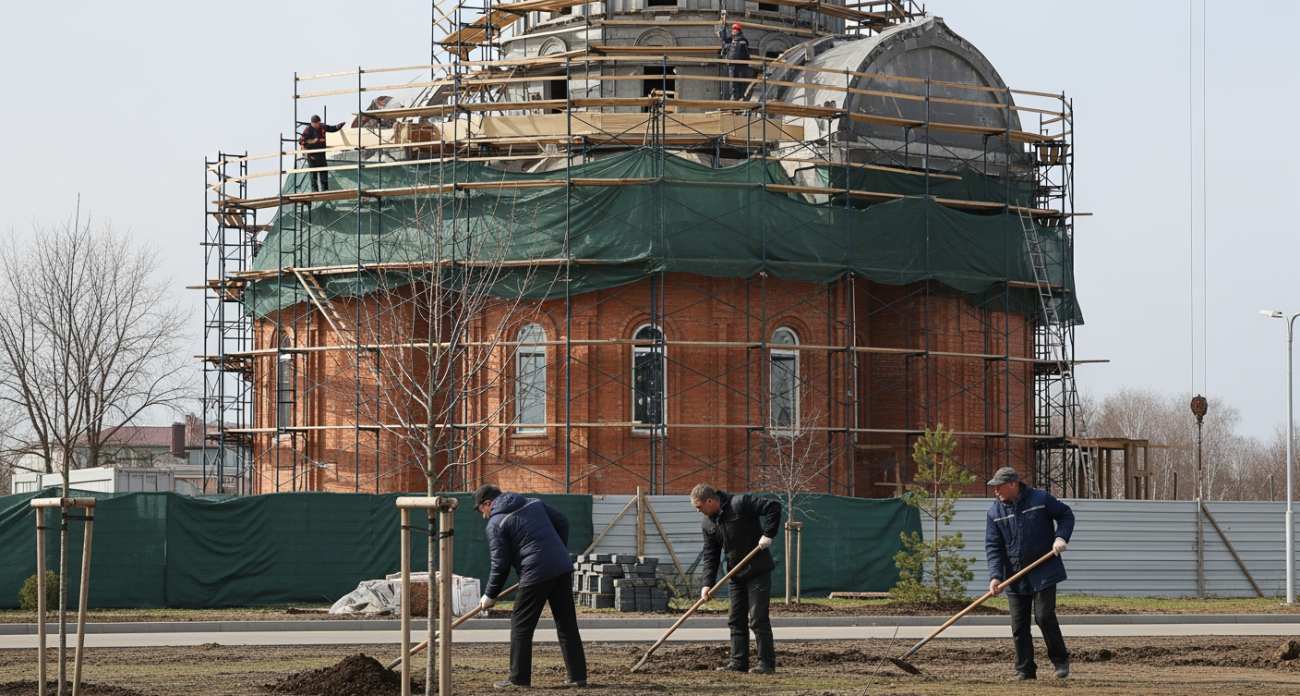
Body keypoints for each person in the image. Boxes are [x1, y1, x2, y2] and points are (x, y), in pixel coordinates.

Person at [474, 484, 587, 689]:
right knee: (567, 624)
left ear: (488, 503)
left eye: (482, 510)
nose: (484, 516)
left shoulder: (496, 523)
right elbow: (562, 521)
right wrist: (555, 553)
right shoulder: (534, 503)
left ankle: (518, 679)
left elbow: (500, 564)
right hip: (561, 567)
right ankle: (578, 677)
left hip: (535, 572)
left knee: (521, 625)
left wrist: (490, 594)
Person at [985, 467, 1075, 681]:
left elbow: (1065, 514)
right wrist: (996, 576)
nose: (995, 491)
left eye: (999, 486)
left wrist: (1061, 537)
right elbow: (993, 548)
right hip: (1015, 575)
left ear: (1013, 484)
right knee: (1019, 625)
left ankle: (1060, 661)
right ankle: (1025, 670)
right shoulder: (994, 513)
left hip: (1045, 570)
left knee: (1044, 616)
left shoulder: (1040, 499)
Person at [692, 483, 781, 674]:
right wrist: (707, 584)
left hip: (757, 570)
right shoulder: (708, 524)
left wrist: (768, 534)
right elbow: (711, 555)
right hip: (735, 574)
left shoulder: (740, 503)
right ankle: (738, 662)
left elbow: (773, 506)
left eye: (699, 507)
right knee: (735, 620)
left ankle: (766, 664)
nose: (698, 511)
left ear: (710, 501)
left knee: (758, 619)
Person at [299, 115, 345, 192]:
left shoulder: (322, 127)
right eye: (317, 123)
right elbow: (302, 141)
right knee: (313, 174)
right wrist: (304, 150)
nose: (319, 125)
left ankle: (325, 189)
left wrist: (340, 125)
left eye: (319, 123)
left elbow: (332, 128)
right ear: (313, 123)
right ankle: (315, 190)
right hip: (312, 155)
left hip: (321, 154)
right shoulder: (308, 130)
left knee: (323, 172)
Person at [717, 23, 751, 100]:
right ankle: (738, 95)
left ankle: (736, 95)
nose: (733, 31)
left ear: (738, 31)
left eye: (734, 29)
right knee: (737, 79)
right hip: (739, 62)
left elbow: (731, 46)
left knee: (735, 79)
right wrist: (722, 31)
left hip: (737, 62)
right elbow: (726, 40)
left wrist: (726, 45)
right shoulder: (736, 38)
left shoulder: (739, 39)